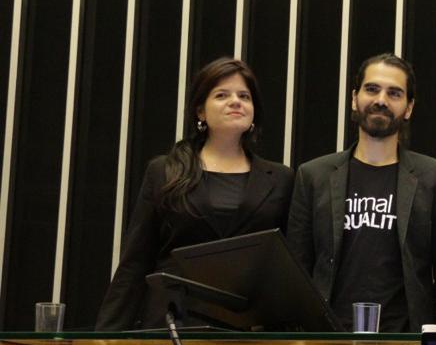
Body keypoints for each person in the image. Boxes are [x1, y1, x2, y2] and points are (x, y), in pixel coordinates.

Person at [96, 58, 293, 331]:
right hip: (173, 324)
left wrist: (296, 337)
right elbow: (136, 259)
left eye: (244, 96)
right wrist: (108, 338)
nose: (235, 102)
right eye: (222, 95)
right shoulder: (164, 171)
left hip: (248, 330)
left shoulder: (281, 178)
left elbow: (287, 270)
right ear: (201, 111)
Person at [287, 53, 436, 332]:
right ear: (354, 98)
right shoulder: (313, 176)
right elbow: (295, 271)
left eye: (395, 93)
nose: (381, 100)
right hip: (325, 343)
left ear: (409, 107)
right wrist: (298, 339)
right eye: (372, 89)